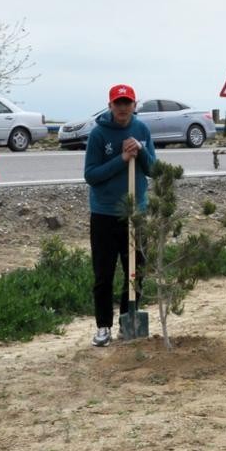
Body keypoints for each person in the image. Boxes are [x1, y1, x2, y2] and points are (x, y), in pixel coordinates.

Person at [84, 84, 156, 348]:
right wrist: (122, 159)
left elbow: (154, 169)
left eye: (127, 103)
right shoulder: (98, 134)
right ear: (110, 105)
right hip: (104, 214)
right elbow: (91, 175)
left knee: (135, 271)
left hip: (136, 212)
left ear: (134, 105)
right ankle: (103, 326)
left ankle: (130, 320)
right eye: (118, 103)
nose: (123, 108)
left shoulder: (142, 130)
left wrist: (141, 151)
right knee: (103, 273)